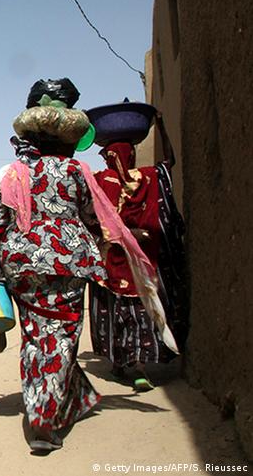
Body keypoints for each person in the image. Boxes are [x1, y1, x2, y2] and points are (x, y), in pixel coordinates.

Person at [0, 80, 177, 454]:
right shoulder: (76, 171)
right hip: (69, 267)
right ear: (67, 140)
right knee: (62, 341)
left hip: (22, 267)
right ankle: (43, 422)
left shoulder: (14, 175)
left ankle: (71, 398)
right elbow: (93, 218)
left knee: (37, 339)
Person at [89, 114, 186, 391]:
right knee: (138, 310)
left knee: (116, 311)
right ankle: (130, 364)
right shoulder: (145, 178)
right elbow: (169, 163)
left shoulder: (100, 182)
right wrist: (162, 128)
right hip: (141, 261)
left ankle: (133, 366)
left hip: (113, 262)